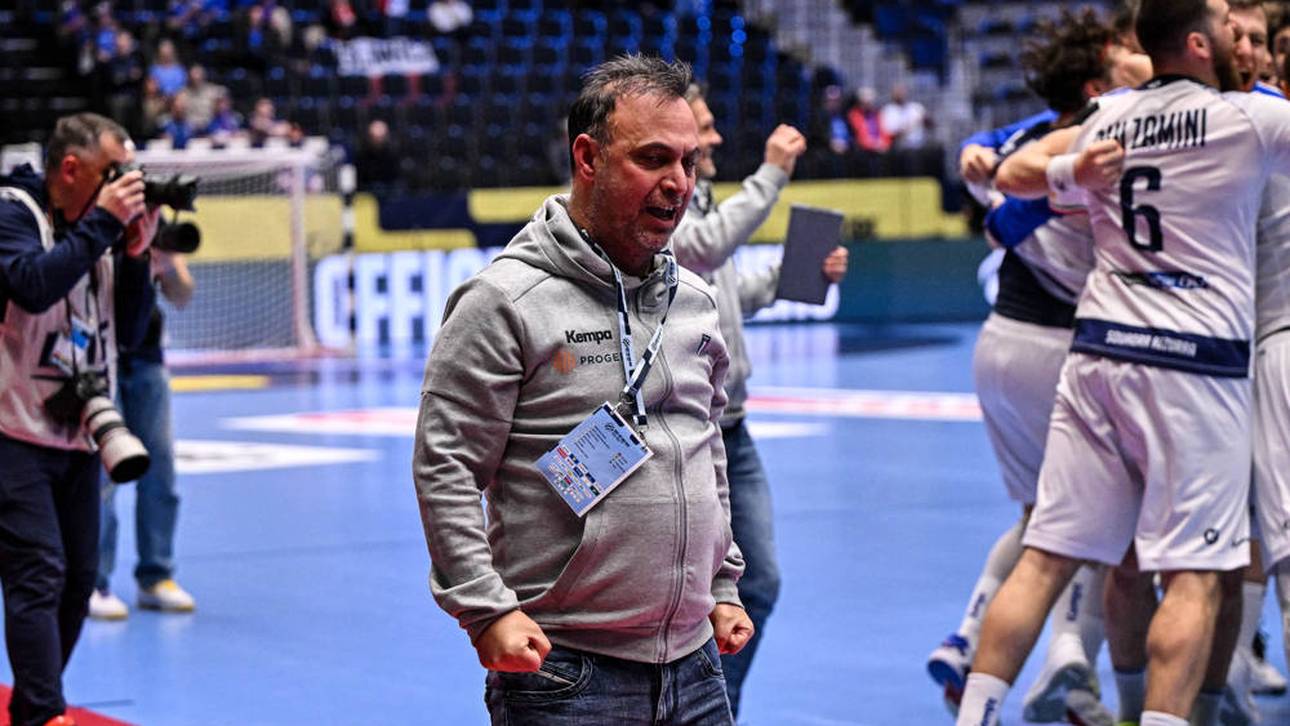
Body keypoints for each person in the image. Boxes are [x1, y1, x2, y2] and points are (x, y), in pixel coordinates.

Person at [959, 1, 1290, 723]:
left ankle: (973, 715)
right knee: (1198, 573)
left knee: (1045, 556)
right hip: (1194, 365)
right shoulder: (1253, 119)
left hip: (1099, 354)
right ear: (1200, 44)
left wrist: (1072, 169)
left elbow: (1010, 173)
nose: (1244, 43)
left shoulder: (1108, 116)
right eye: (1233, 31)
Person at [412, 54, 752, 725]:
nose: (678, 183)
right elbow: (445, 464)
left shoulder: (695, 304)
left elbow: (705, 447)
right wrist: (486, 610)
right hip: (566, 673)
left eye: (687, 162)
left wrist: (722, 581)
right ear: (588, 157)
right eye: (653, 159)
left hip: (696, 666)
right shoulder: (505, 300)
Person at [928, 9, 1152, 724]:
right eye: (1128, 49)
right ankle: (1069, 657)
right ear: (1098, 78)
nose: (1139, 57)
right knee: (1094, 528)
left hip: (998, 343)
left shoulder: (1021, 134)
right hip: (1065, 346)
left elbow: (995, 169)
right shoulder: (1121, 122)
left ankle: (969, 635)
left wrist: (981, 155)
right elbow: (1006, 213)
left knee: (1038, 517)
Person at [671, 84, 848, 718]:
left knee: (758, 584)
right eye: (707, 127)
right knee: (698, 592)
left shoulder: (697, 202)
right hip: (693, 433)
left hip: (732, 430)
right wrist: (773, 172)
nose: (717, 138)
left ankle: (717, 706)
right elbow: (706, 246)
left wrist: (792, 275)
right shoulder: (665, 213)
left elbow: (724, 290)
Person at [0, 113, 158, 726]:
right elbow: (32, 286)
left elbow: (135, 329)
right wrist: (104, 224)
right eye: (113, 173)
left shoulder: (102, 232)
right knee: (38, 573)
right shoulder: (14, 211)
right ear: (72, 169)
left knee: (77, 579)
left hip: (81, 429)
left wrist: (138, 255)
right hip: (11, 431)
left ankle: (40, 701)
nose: (126, 186)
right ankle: (42, 712)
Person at [89, 244, 195, 621]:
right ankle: (94, 581)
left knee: (160, 469)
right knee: (102, 474)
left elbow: (181, 295)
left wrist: (167, 262)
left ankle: (157, 575)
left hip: (147, 356)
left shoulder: (148, 212)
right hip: (98, 355)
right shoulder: (90, 211)